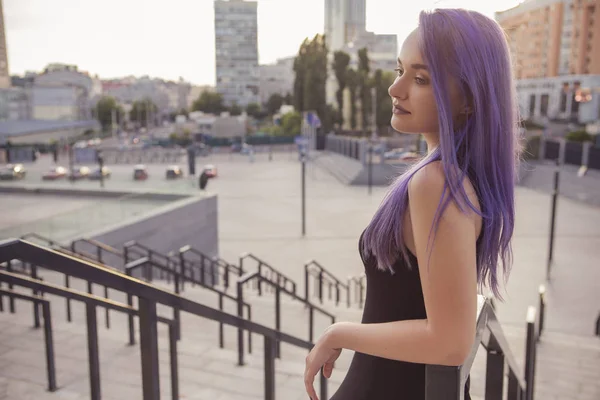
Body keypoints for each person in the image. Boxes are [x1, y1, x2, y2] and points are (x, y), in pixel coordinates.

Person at [304, 8, 520, 400]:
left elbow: (451, 341)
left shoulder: (436, 182)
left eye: (420, 78)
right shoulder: (446, 175)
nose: (396, 88)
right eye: (399, 70)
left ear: (469, 99)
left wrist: (339, 332)